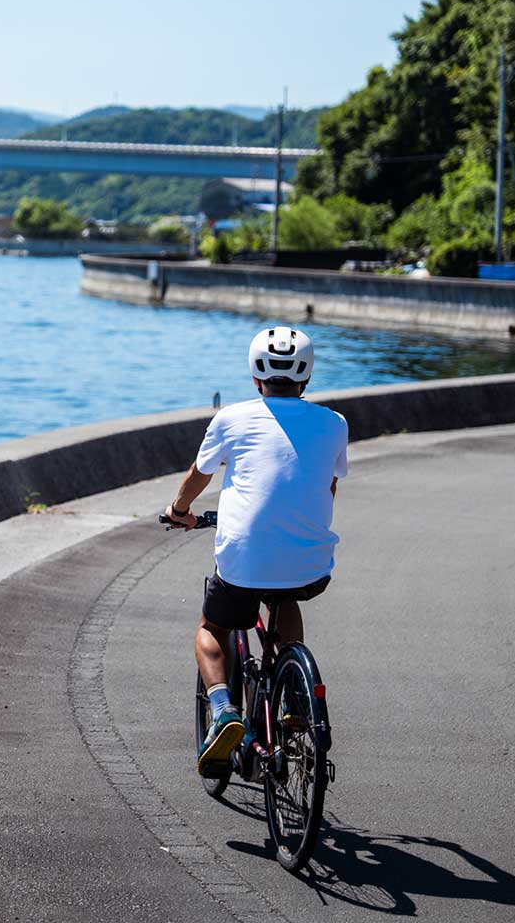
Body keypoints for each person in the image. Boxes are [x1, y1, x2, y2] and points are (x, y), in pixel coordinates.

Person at [163, 325, 348, 776]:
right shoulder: (334, 424)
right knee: (286, 595)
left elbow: (199, 474)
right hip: (310, 559)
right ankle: (297, 696)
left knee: (212, 627)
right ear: (306, 377)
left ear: (255, 377)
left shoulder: (232, 418)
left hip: (244, 559)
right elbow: (328, 485)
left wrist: (178, 508)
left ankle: (225, 708)